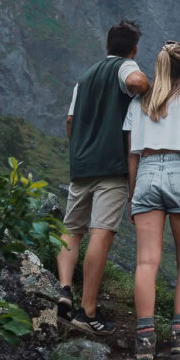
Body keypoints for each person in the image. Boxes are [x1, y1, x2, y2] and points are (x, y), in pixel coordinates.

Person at [57, 19, 150, 334]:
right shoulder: (125, 68)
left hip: (81, 164)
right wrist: (148, 88)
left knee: (72, 229)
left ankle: (64, 289)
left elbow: (70, 120)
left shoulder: (83, 78)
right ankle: (88, 311)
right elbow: (137, 82)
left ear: (106, 45)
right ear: (133, 48)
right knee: (101, 233)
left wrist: (79, 149)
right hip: (110, 167)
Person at [125, 41, 180, 360]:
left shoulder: (139, 103)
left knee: (147, 262)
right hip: (178, 172)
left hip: (146, 172)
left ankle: (145, 339)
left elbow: (132, 155)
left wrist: (134, 195)